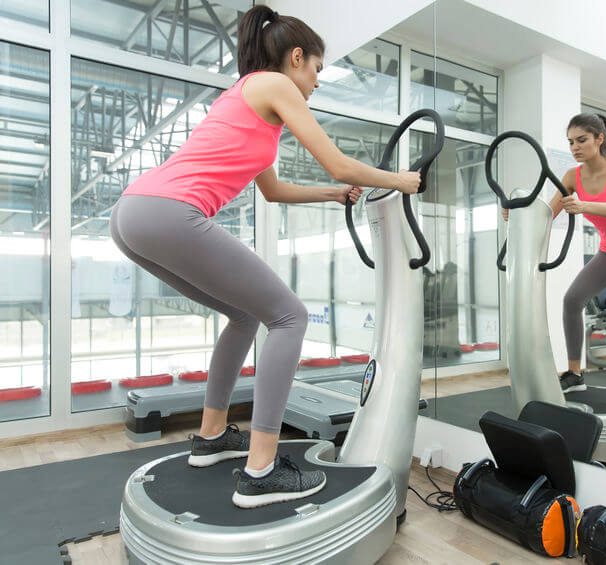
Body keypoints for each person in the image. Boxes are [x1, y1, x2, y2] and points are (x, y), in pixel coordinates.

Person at [110, 4, 421, 508]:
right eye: (317, 69)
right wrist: (400, 180)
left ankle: (212, 438)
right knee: (289, 316)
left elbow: (273, 191)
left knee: (241, 315)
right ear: (296, 58)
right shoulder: (274, 85)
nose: (317, 82)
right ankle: (261, 471)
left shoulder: (248, 98)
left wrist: (329, 194)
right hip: (168, 211)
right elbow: (339, 161)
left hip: (134, 214)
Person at [503, 113, 606, 408]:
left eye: (582, 140)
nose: (575, 147)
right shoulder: (571, 177)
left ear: (599, 139)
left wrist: (584, 204)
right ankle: (575, 374)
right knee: (572, 300)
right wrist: (516, 216)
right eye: (571, 142)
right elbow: (547, 215)